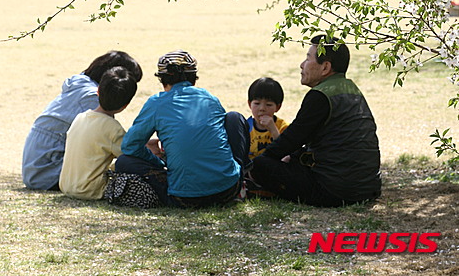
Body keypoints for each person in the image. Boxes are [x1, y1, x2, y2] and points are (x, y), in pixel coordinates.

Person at [251, 35, 381, 207]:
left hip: (336, 191)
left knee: (260, 165)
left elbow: (292, 138)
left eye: (307, 58)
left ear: (325, 67)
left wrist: (262, 164)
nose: (302, 65)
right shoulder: (351, 89)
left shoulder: (320, 95)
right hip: (368, 187)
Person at [116, 50, 250, 207]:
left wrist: (157, 162)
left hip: (184, 198)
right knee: (235, 117)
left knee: (123, 162)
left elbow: (130, 146)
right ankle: (241, 179)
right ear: (194, 78)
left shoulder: (156, 103)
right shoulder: (209, 99)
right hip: (228, 189)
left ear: (162, 80)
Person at [22, 50, 143, 190]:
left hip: (35, 167)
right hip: (48, 172)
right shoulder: (91, 97)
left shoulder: (79, 85)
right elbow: (110, 141)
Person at [59, 67, 137, 200]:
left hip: (66, 186)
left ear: (98, 91)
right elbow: (129, 154)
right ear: (126, 105)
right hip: (90, 190)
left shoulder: (80, 118)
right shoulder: (113, 128)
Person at [247, 77, 289, 160]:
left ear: (278, 107)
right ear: (249, 104)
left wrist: (273, 130)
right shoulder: (246, 127)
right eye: (257, 103)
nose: (262, 108)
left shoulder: (283, 127)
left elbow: (286, 155)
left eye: (269, 104)